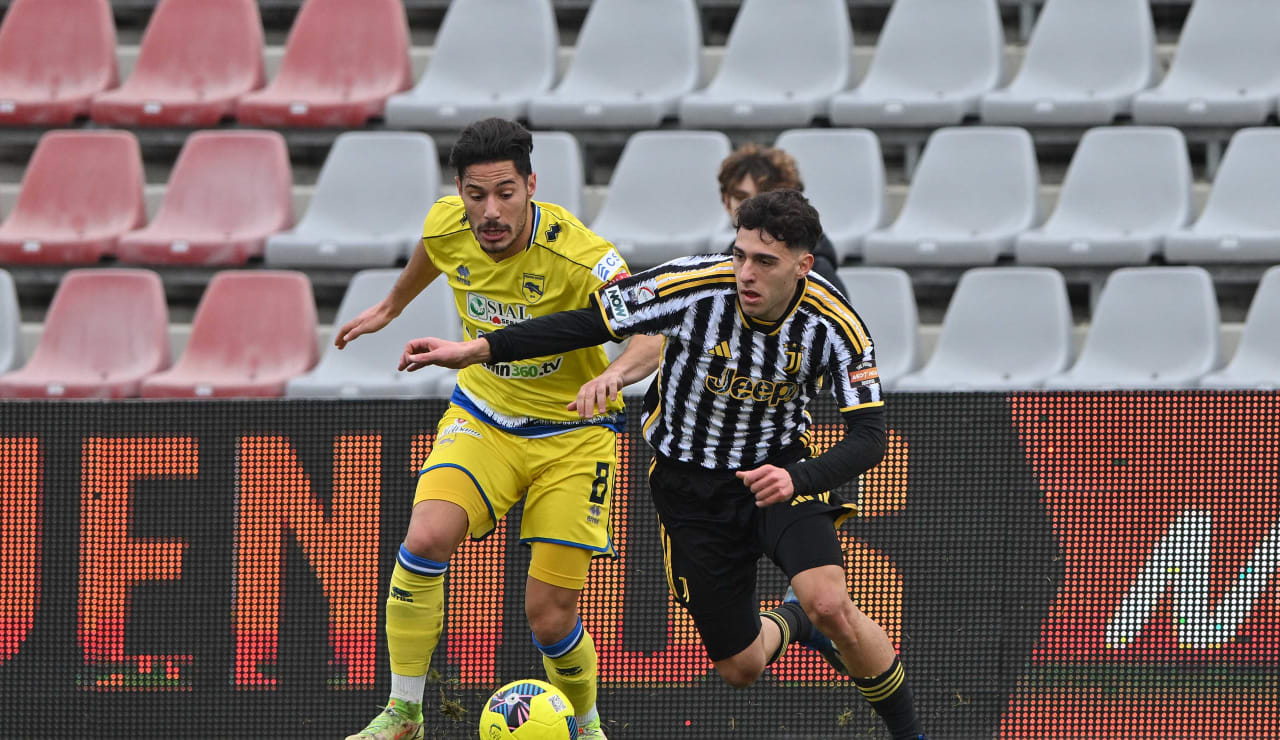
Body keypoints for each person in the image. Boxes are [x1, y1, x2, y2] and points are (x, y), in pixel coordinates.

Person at [399, 189, 927, 740]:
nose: (745, 272)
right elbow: (586, 323)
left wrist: (798, 476)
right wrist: (476, 349)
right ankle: (792, 621)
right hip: (688, 486)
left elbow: (869, 438)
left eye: (764, 262)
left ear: (803, 266)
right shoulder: (691, 284)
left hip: (777, 472)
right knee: (741, 669)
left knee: (832, 604)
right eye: (739, 254)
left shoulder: (835, 324)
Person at [337, 118, 627, 740]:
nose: (489, 211)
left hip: (573, 433)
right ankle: (403, 715)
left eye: (505, 193)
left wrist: (617, 375)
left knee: (548, 617)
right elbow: (433, 249)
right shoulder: (449, 221)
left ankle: (589, 727)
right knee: (424, 538)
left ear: (531, 186)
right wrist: (390, 307)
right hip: (484, 417)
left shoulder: (583, 257)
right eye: (476, 195)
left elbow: (655, 329)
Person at [718, 142, 847, 296]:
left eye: (765, 198)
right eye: (741, 197)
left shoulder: (820, 275)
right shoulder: (720, 267)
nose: (752, 207)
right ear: (726, 202)